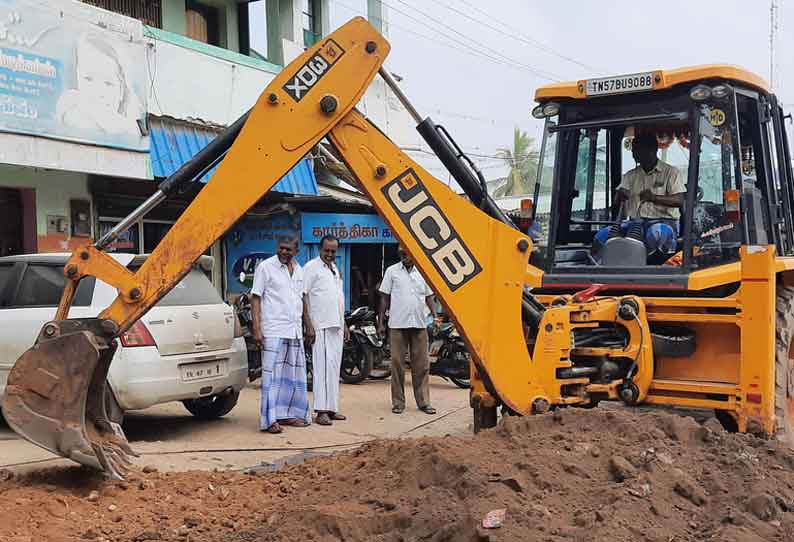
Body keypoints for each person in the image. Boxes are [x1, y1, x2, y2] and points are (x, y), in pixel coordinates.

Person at [250, 236, 313, 434]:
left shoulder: (299, 270)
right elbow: (256, 298)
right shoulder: (266, 267)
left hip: (294, 330)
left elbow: (302, 299)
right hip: (273, 329)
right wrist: (257, 329)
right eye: (281, 248)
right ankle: (269, 420)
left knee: (292, 376)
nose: (284, 252)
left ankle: (287, 414)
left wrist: (309, 325)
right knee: (271, 377)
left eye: (288, 249)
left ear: (296, 251)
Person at [595, 133, 685, 259]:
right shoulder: (630, 175)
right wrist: (620, 196)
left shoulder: (671, 172)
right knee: (602, 236)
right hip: (634, 223)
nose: (634, 153)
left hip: (664, 222)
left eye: (638, 149)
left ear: (653, 150)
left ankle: (651, 267)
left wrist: (654, 198)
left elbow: (679, 200)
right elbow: (617, 201)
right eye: (633, 149)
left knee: (657, 234)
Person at [378, 246, 436, 415]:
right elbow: (384, 298)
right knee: (396, 364)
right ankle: (398, 403)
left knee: (422, 365)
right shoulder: (392, 271)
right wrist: (381, 323)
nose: (404, 257)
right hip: (397, 324)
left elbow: (429, 296)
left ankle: (424, 402)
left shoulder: (423, 271)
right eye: (401, 254)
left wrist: (434, 314)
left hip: (419, 324)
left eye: (407, 253)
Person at [303, 235, 348, 426]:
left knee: (333, 368)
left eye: (333, 251)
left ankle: (331, 408)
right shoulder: (311, 268)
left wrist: (344, 324)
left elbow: (338, 297)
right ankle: (321, 411)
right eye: (327, 251)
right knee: (321, 368)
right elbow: (302, 296)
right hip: (319, 325)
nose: (330, 254)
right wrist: (309, 325)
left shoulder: (335, 269)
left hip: (336, 325)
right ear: (320, 249)